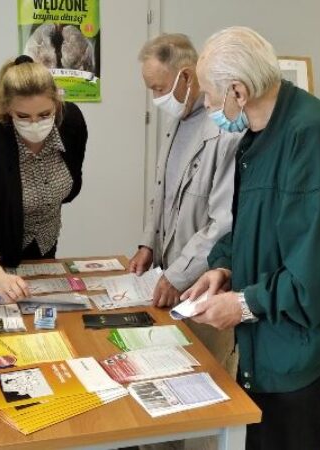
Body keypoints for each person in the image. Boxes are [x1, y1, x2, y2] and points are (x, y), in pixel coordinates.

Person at [184, 27, 320, 450]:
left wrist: (242, 305)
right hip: (266, 335)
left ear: (238, 91)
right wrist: (223, 267)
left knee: (287, 437)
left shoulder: (310, 137)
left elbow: (319, 276)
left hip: (295, 340)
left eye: (211, 97)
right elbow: (252, 223)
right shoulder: (262, 132)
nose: (208, 106)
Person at [127, 34, 241, 376]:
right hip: (169, 275)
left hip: (201, 282)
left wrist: (179, 275)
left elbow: (223, 223)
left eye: (159, 87)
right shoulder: (177, 122)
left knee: (205, 374)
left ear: (187, 76)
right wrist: (148, 242)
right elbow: (162, 192)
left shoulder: (225, 130)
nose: (156, 98)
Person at [0, 55, 87, 302]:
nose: (34, 123)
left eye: (44, 114)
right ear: (7, 109)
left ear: (56, 103)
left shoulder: (70, 123)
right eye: (23, 116)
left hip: (41, 254)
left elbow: (72, 184)